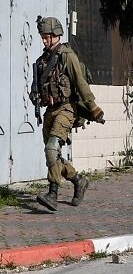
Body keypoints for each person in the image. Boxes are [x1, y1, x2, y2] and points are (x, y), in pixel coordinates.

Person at [31, 16, 104, 212]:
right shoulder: (42, 61)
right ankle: (79, 181)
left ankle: (52, 194)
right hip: (50, 111)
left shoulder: (67, 56)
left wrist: (93, 107)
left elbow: (80, 83)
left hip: (66, 109)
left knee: (52, 149)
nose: (44, 39)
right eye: (42, 36)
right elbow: (35, 88)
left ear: (56, 35)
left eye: (46, 36)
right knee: (51, 156)